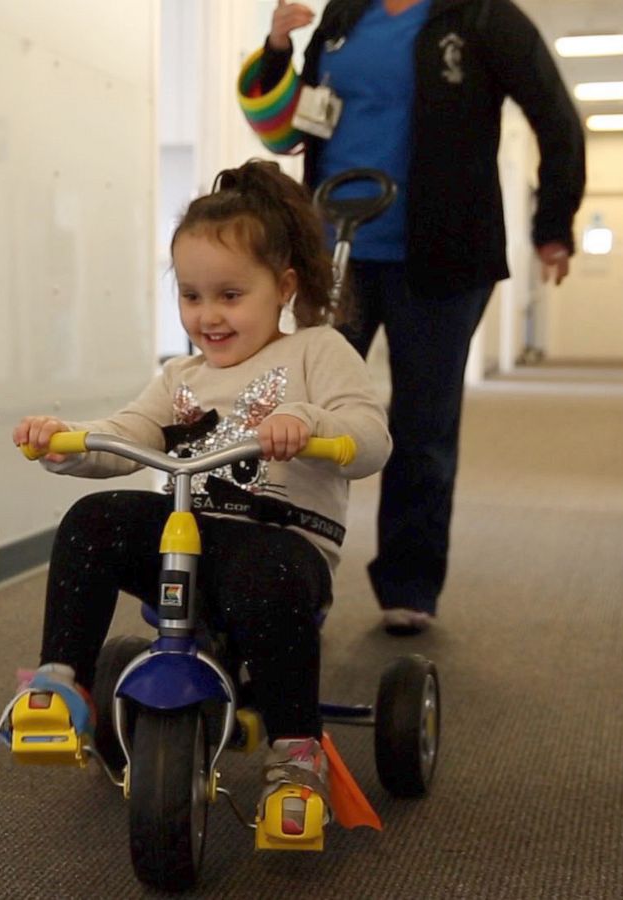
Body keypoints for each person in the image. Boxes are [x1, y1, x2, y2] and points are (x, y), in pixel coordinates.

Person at [0, 160, 391, 836]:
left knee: (267, 578)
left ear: (283, 289)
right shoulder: (178, 374)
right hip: (188, 535)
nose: (208, 316)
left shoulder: (317, 352)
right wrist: (69, 442)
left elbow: (371, 437)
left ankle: (296, 754)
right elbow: (126, 435)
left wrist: (312, 425)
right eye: (191, 296)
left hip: (277, 543)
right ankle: (62, 680)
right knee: (95, 520)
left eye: (230, 295)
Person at [240, 0, 585, 635]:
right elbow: (287, 133)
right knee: (296, 416)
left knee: (422, 425)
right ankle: (277, 576)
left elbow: (555, 116)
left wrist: (553, 224)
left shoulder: (482, 17)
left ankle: (409, 583)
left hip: (445, 256)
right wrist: (279, 51)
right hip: (334, 253)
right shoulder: (344, 19)